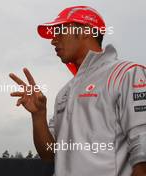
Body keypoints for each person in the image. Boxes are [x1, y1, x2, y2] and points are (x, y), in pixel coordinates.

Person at [9, 6, 146, 176]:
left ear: (85, 31)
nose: (53, 40)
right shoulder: (65, 91)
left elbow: (143, 144)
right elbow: (49, 155)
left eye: (60, 31)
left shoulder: (127, 73)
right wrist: (38, 115)